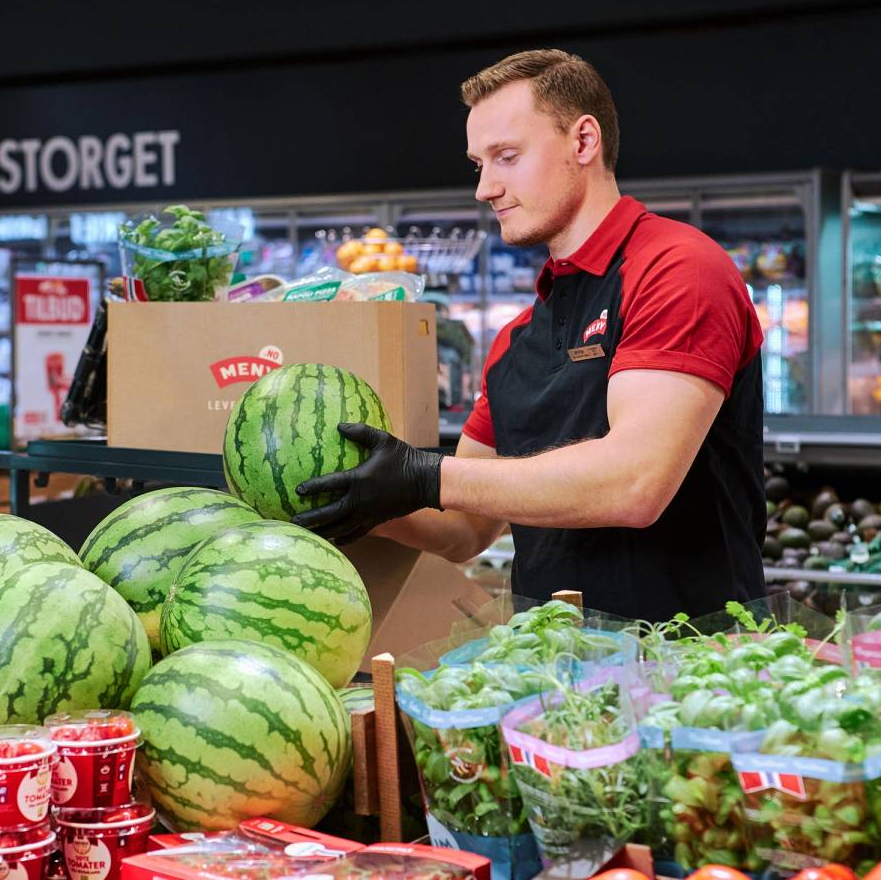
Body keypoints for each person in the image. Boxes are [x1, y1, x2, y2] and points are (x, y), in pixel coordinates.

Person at [294, 49, 767, 621]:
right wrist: (358, 496)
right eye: (478, 164)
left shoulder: (677, 268)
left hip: (693, 674)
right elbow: (464, 528)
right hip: (553, 673)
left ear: (584, 142)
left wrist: (425, 474)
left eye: (507, 157)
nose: (484, 188)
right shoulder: (518, 336)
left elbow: (636, 483)